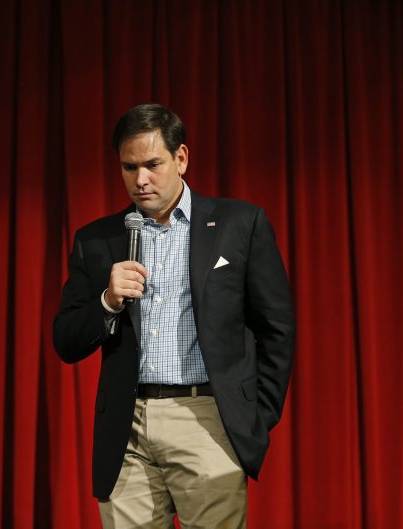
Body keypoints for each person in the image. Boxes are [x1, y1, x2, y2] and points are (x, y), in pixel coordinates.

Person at [53, 103, 295, 528]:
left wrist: (253, 415)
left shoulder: (239, 224)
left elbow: (276, 328)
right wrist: (107, 301)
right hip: (126, 430)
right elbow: (66, 340)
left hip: (207, 419)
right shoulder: (96, 240)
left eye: (152, 165)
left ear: (181, 158)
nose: (140, 180)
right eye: (129, 167)